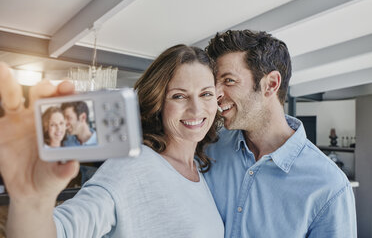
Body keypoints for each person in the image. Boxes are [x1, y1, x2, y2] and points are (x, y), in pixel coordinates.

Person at [0, 45, 224, 238]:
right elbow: (65, 229)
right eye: (179, 96)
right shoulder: (135, 165)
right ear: (158, 103)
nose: (196, 109)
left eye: (206, 94)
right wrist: (31, 202)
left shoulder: (200, 169)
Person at [203, 30, 357, 238]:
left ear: (271, 84)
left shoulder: (329, 186)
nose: (216, 94)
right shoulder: (208, 148)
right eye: (214, 83)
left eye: (228, 80)